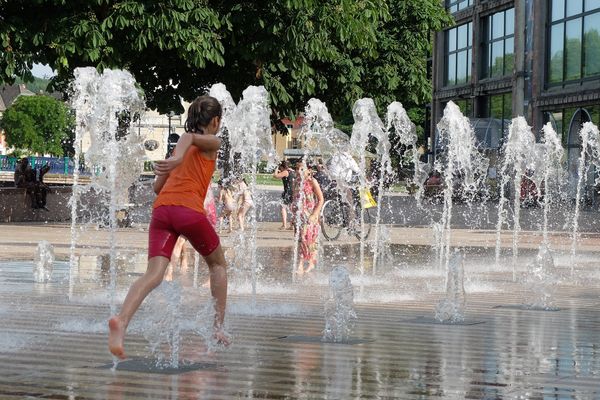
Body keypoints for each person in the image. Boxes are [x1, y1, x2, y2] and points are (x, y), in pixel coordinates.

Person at [108, 95, 229, 359]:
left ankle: (122, 321)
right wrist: (176, 161)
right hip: (188, 211)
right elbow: (190, 138)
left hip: (162, 211)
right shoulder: (212, 142)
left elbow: (156, 187)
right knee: (218, 264)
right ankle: (218, 328)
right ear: (216, 120)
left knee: (153, 274)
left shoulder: (176, 151)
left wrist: (174, 162)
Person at [291, 160, 324, 276]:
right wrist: (293, 214)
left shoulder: (312, 182)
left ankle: (302, 264)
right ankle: (310, 262)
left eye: (301, 169)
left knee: (308, 239)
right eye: (297, 169)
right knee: (301, 239)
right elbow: (294, 199)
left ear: (308, 171)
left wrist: (315, 214)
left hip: (310, 215)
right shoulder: (296, 182)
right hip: (299, 215)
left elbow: (321, 199)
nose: (298, 171)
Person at [272, 160, 294, 229]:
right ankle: (293, 225)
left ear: (282, 167)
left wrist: (276, 168)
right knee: (293, 209)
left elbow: (275, 176)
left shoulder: (285, 172)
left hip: (287, 192)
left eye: (280, 167)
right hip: (293, 191)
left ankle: (284, 225)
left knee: (283, 208)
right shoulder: (292, 171)